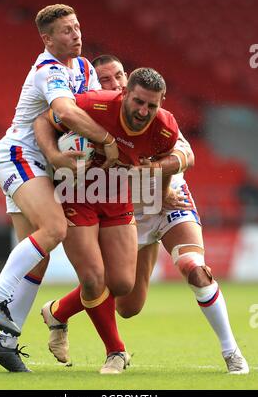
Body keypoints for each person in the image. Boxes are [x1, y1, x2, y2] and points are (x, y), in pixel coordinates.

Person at [42, 55, 249, 375]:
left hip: (168, 204)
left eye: (120, 75)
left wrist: (159, 181)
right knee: (127, 304)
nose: (116, 83)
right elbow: (50, 122)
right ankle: (58, 310)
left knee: (194, 268)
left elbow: (186, 154)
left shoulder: (154, 115)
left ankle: (232, 352)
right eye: (106, 79)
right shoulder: (92, 114)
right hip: (127, 214)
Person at [0, 4, 119, 372]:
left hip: (40, 165)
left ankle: (6, 343)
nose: (76, 35)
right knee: (54, 229)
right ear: (47, 39)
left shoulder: (84, 68)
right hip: (18, 157)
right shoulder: (47, 70)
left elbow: (91, 109)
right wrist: (107, 140)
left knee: (38, 258)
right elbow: (68, 113)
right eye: (67, 31)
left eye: (77, 27)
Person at [35, 67, 179, 373]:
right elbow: (43, 121)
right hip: (76, 195)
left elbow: (167, 162)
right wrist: (55, 155)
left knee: (122, 284)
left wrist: (162, 191)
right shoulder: (94, 105)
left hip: (116, 197)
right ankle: (116, 352)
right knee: (92, 279)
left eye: (152, 105)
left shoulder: (165, 128)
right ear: (125, 93)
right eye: (138, 102)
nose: (144, 111)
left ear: (162, 102)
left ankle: (57, 312)